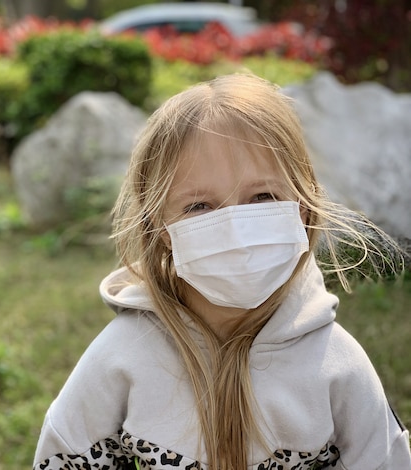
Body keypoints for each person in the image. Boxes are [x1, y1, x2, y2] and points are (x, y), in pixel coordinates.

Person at [32, 73, 411, 469]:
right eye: (199, 206)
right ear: (160, 229)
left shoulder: (336, 363)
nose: (236, 228)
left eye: (262, 197)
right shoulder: (122, 356)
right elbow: (63, 455)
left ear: (302, 208)